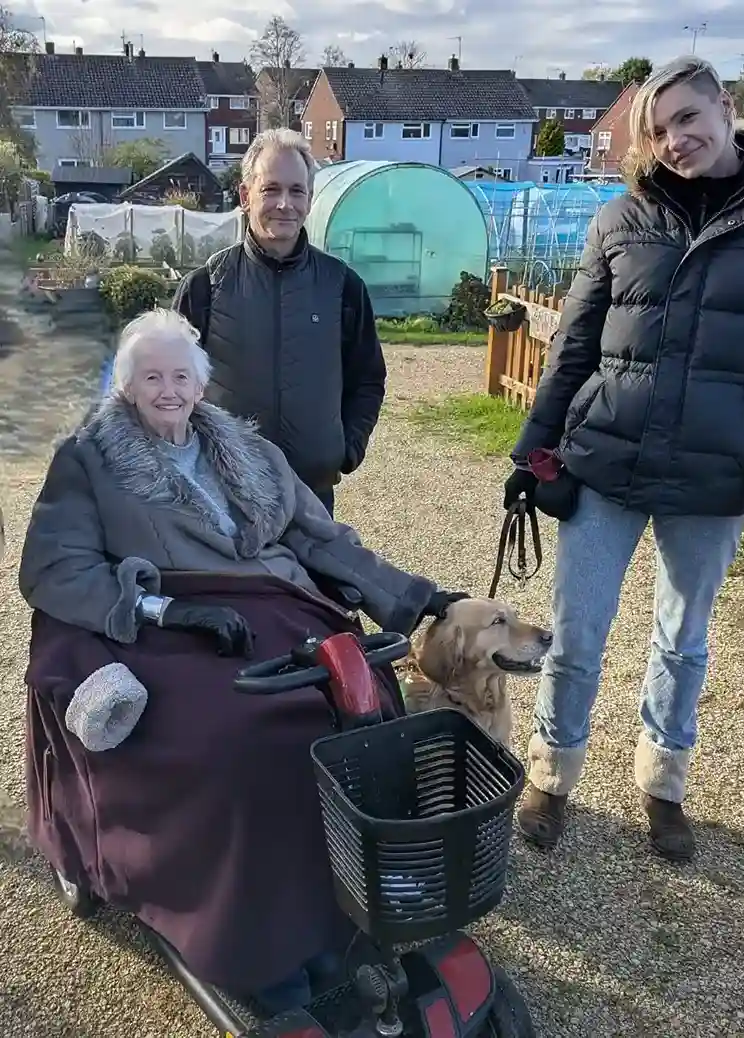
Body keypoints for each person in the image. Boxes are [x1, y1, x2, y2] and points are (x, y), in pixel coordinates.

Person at [18, 307, 465, 1006]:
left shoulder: (250, 450)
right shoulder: (87, 458)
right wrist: (161, 610)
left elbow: (318, 537)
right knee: (243, 742)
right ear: (125, 386)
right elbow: (55, 567)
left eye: (180, 376)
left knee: (365, 703)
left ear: (201, 385)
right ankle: (256, 939)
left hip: (271, 606)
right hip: (168, 626)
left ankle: (341, 899)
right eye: (150, 377)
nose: (168, 390)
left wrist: (416, 595)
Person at [503, 55, 744, 860]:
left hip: (713, 471)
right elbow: (575, 346)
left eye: (687, 118)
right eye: (656, 131)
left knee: (683, 639)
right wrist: (532, 451)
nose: (674, 141)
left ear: (725, 108)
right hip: (605, 462)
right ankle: (552, 772)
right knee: (576, 634)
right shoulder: (621, 218)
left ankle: (663, 783)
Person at [173, 128, 385, 516]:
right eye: (271, 189)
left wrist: (346, 448)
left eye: (296, 191)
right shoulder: (205, 287)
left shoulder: (342, 287)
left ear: (309, 198)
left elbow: (367, 378)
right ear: (245, 196)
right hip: (224, 498)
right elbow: (169, 385)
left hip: (312, 496)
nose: (284, 204)